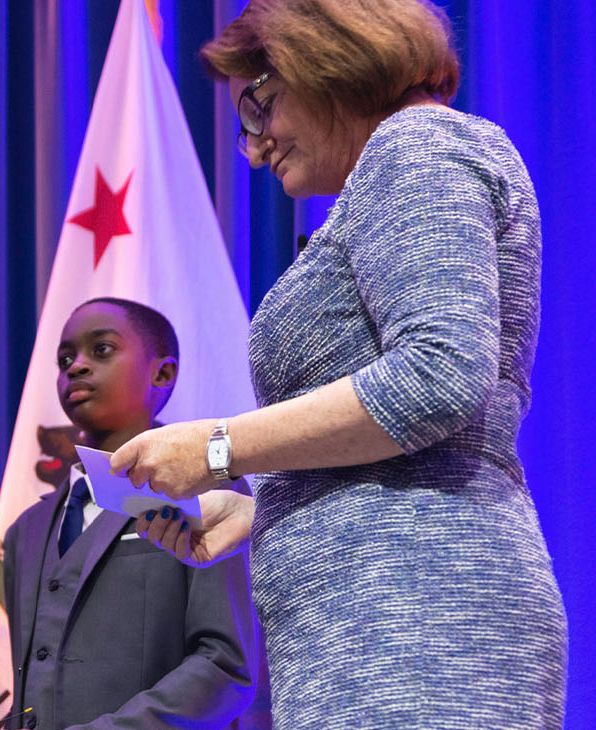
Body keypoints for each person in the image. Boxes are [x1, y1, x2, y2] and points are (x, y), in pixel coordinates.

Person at [108, 1, 568, 727]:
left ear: (323, 59)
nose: (252, 149)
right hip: (384, 623)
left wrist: (218, 447)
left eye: (258, 109)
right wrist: (262, 512)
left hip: (420, 624)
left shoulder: (417, 145)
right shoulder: (400, 165)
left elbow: (438, 374)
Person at [1, 298, 256, 729]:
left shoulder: (207, 493)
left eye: (101, 350)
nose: (76, 367)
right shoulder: (24, 532)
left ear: (162, 373)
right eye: (65, 358)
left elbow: (225, 667)